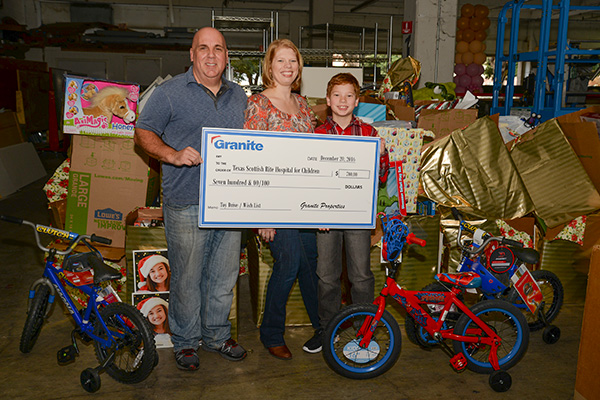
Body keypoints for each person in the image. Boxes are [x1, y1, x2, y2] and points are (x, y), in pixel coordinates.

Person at [134, 26, 248, 371]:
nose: (211, 55)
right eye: (204, 48)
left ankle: (216, 335)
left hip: (229, 204)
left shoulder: (240, 97)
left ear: (227, 56)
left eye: (218, 48)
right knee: (186, 276)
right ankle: (185, 342)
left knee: (224, 276)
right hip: (185, 200)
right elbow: (143, 131)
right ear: (192, 54)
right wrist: (170, 154)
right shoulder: (170, 93)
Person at [244, 38, 320, 360]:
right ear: (269, 67)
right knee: (288, 263)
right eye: (281, 61)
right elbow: (251, 158)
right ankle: (271, 333)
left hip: (304, 201)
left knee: (310, 266)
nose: (287, 67)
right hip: (274, 203)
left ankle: (324, 324)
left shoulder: (303, 106)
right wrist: (263, 212)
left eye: (293, 61)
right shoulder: (259, 104)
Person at [302, 73, 390, 353]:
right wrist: (317, 211)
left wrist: (382, 155)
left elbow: (381, 177)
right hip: (326, 217)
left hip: (356, 214)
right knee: (326, 275)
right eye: (337, 95)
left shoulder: (369, 134)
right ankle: (328, 329)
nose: (343, 101)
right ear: (328, 101)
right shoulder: (316, 135)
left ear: (357, 101)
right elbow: (310, 177)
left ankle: (364, 330)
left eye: (349, 96)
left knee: (361, 275)